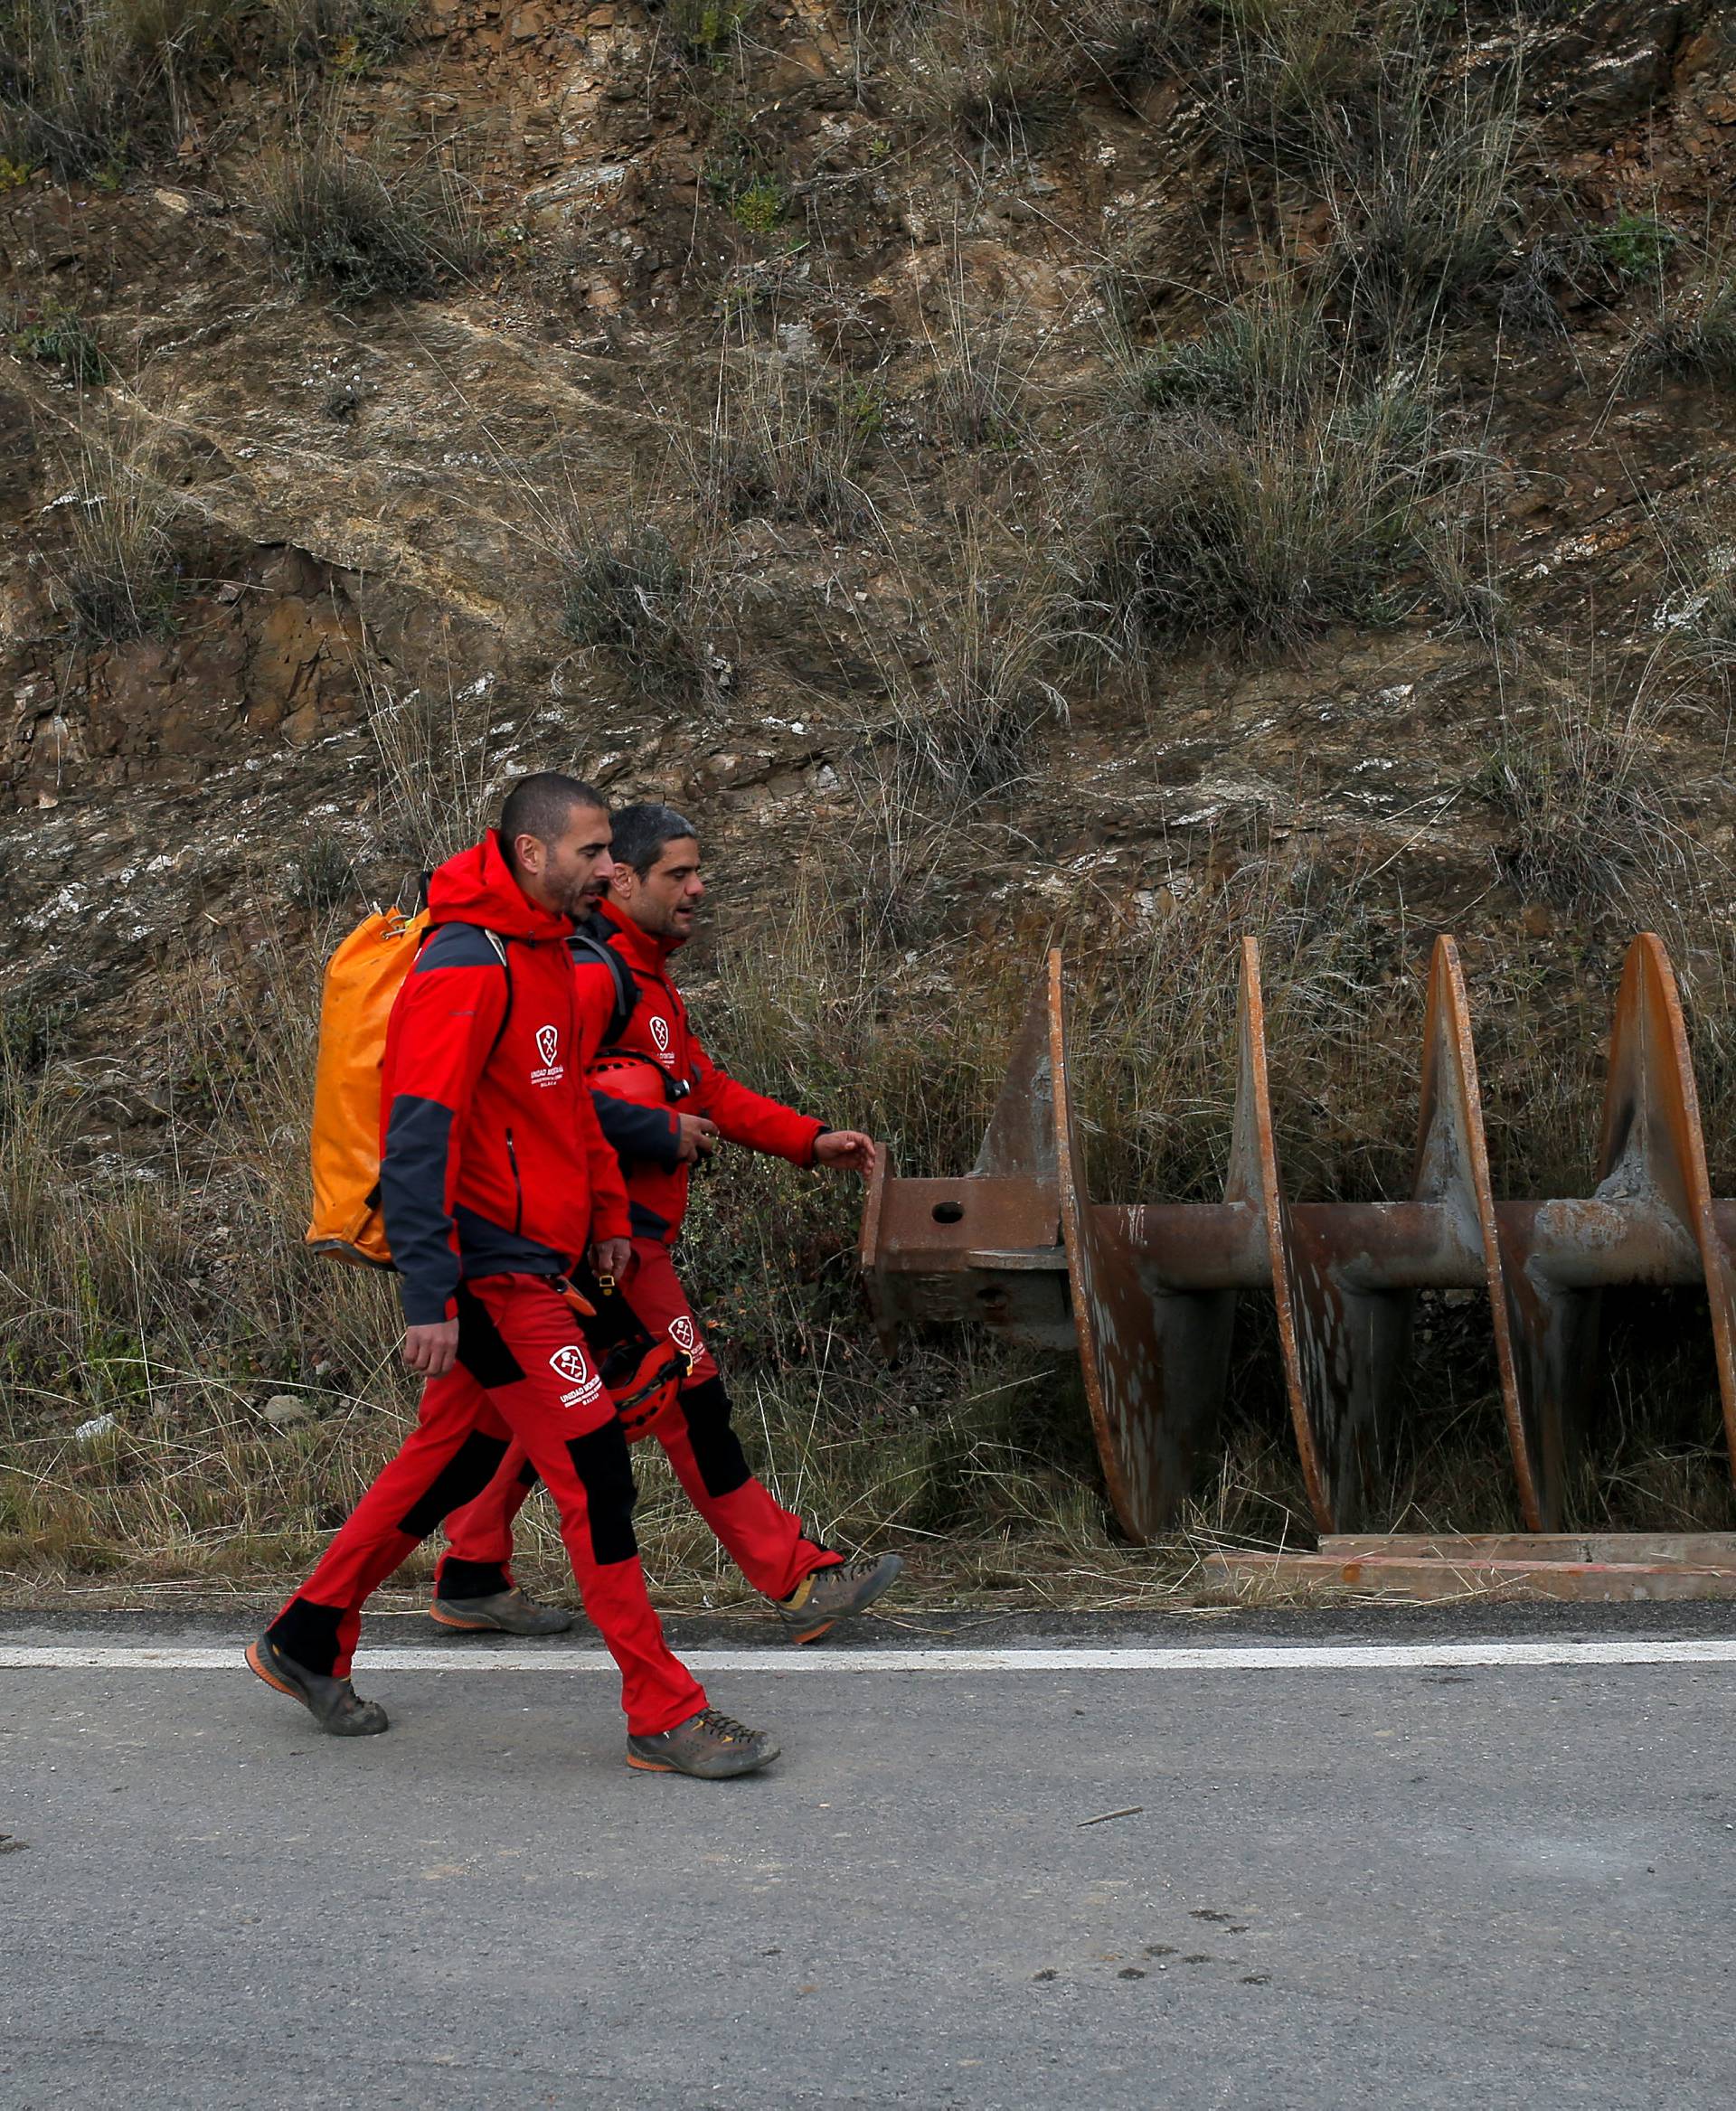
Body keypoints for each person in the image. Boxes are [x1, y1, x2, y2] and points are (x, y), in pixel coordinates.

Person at [248, 775, 778, 1778]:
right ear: (532, 854)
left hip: (550, 1261)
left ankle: (307, 1634)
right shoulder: (465, 964)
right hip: (491, 1275)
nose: (607, 870)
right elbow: (419, 1141)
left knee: (446, 1459)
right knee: (596, 1474)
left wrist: (611, 1222)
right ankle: (663, 1709)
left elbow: (570, 1113)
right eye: (591, 854)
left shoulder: (548, 956)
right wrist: (430, 1297)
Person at [431, 802, 903, 1645]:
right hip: (607, 1246)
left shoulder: (644, 976)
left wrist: (808, 1139)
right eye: (677, 874)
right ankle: (795, 1577)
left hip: (575, 1250)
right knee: (693, 1399)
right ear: (622, 879)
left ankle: (467, 1569)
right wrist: (652, 1132)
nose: (698, 887)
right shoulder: (591, 971)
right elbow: (543, 1102)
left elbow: (705, 1090)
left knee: (510, 1418)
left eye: (698, 870)